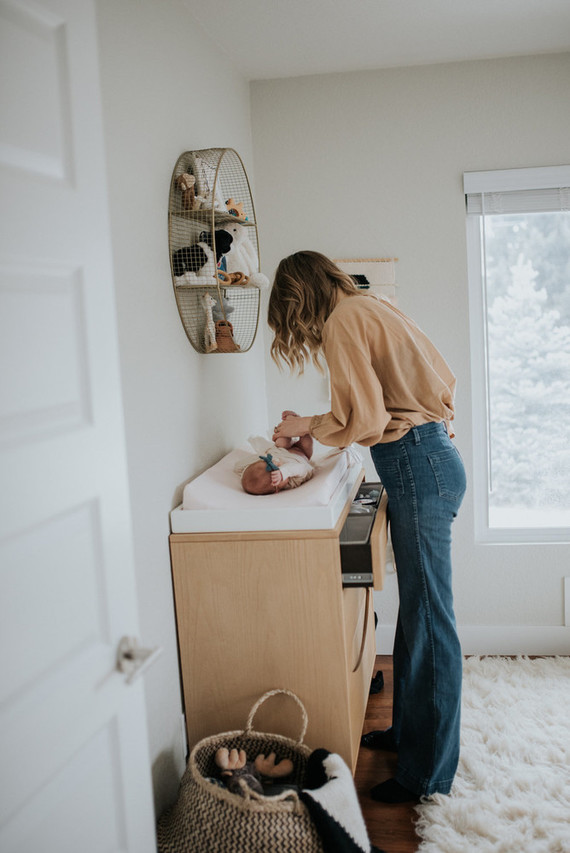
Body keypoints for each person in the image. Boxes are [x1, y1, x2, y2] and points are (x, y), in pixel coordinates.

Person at [268, 251, 466, 803]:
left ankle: (426, 775)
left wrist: (303, 424)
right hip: (429, 458)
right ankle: (409, 734)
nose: (300, 330)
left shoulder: (344, 320)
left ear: (298, 297)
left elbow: (368, 420)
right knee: (420, 615)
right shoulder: (371, 304)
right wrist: (322, 430)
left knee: (431, 621)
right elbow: (437, 381)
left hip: (416, 463)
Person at [234, 411, 314, 495]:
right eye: (277, 467)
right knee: (306, 440)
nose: (276, 462)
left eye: (270, 462)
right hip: (302, 452)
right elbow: (301, 468)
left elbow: (238, 466)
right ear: (277, 488)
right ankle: (300, 423)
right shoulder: (293, 481)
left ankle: (291, 422)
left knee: (281, 442)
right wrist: (284, 472)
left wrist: (247, 470)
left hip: (281, 450)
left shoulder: (275, 461)